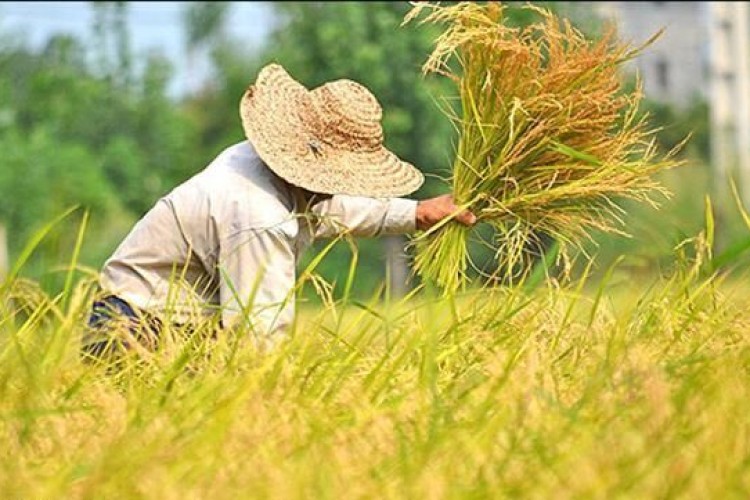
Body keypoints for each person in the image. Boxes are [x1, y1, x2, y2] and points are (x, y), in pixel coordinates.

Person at [82, 63, 476, 357]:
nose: (341, 187)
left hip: (167, 324)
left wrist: (417, 213)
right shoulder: (259, 217)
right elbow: (258, 338)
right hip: (135, 331)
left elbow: (332, 210)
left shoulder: (256, 161)